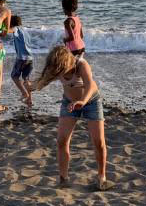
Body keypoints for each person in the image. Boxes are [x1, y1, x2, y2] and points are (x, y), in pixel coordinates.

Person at [33, 45, 110, 191]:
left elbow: (90, 86)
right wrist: (30, 88)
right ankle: (63, 179)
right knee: (61, 141)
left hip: (91, 102)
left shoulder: (81, 65)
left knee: (99, 142)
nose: (58, 73)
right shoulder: (56, 68)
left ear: (67, 63)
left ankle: (102, 176)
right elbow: (43, 80)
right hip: (69, 103)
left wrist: (82, 102)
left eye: (60, 70)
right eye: (56, 70)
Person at [8, 14, 34, 107]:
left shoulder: (16, 29)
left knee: (14, 76)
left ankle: (24, 93)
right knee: (26, 79)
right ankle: (29, 100)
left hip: (21, 58)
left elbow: (11, 30)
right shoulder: (25, 31)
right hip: (30, 58)